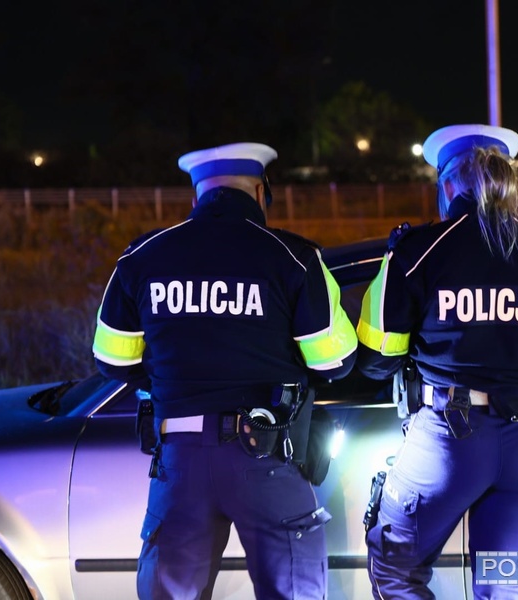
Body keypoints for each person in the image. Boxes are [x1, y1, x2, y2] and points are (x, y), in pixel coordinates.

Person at [92, 142, 358, 599]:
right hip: (268, 457)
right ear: (259, 192)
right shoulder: (293, 257)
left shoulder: (141, 257)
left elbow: (111, 360)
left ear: (197, 195)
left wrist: (170, 376)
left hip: (179, 459)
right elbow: (334, 362)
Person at [356, 124, 518, 599]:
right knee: (506, 588)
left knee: (396, 569)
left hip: (449, 438)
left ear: (449, 186)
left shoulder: (416, 252)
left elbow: (375, 356)